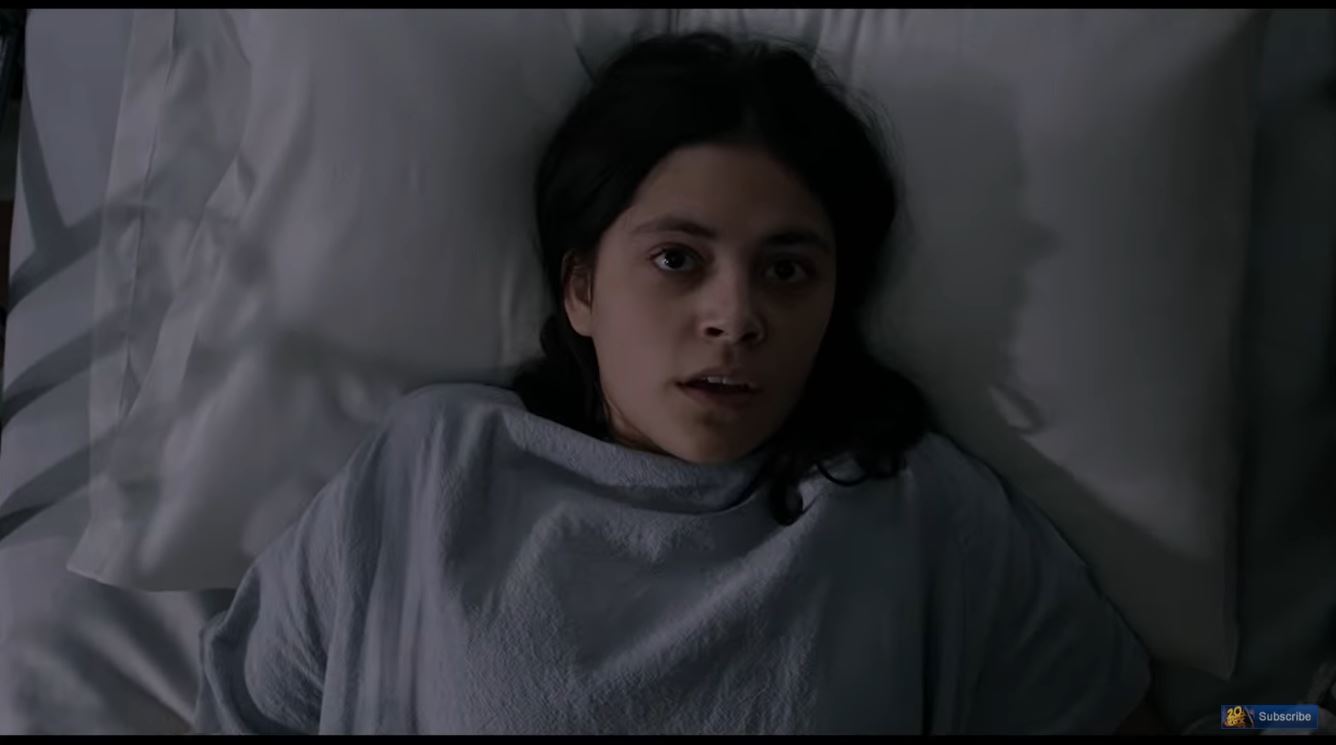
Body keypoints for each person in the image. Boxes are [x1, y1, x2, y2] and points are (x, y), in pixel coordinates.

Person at [193, 30, 1157, 735]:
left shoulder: (910, 508)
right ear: (581, 288)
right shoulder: (434, 471)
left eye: (788, 270)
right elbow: (251, 713)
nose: (736, 316)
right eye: (677, 260)